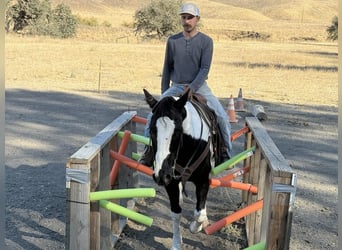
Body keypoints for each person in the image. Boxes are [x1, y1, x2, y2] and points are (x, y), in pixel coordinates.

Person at [140, 2, 232, 166]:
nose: (187, 21)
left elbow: (204, 69)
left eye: (190, 17)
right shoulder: (173, 41)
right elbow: (167, 67)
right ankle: (149, 151)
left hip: (199, 86)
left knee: (222, 117)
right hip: (176, 85)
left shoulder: (206, 41)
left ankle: (225, 151)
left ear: (197, 19)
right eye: (184, 17)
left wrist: (193, 87)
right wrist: (164, 94)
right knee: (152, 117)